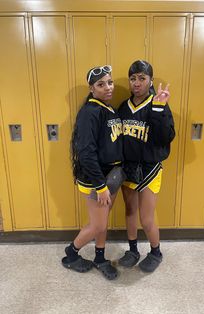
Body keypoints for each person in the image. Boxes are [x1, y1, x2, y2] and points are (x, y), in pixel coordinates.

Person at [62, 65, 123, 280]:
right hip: (96, 179)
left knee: (102, 222)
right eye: (101, 84)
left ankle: (99, 257)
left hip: (111, 175)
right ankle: (71, 253)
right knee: (98, 224)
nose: (108, 87)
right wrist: (101, 186)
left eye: (110, 82)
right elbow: (86, 153)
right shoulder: (90, 112)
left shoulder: (108, 108)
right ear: (91, 88)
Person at [118, 60, 175, 272]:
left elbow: (165, 137)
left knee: (146, 217)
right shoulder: (124, 107)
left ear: (150, 80)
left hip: (150, 168)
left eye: (142, 78)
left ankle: (156, 252)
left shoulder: (157, 103)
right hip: (128, 168)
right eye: (133, 78)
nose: (137, 83)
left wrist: (159, 108)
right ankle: (133, 250)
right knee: (130, 210)